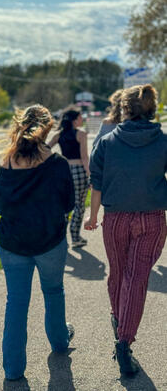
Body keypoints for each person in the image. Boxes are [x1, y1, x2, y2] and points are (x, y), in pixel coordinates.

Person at [0, 105, 75, 381]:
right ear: (47, 129)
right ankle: (59, 341)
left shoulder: (8, 163)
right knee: (54, 291)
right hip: (50, 241)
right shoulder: (58, 164)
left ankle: (13, 369)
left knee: (16, 301)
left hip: (13, 243)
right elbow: (69, 203)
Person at [85, 84, 167, 377]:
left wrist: (93, 216)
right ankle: (124, 341)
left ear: (125, 109)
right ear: (151, 109)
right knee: (137, 278)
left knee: (118, 274)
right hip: (152, 219)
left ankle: (119, 321)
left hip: (115, 218)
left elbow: (96, 182)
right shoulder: (163, 141)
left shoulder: (107, 143)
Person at [48, 109, 90, 248]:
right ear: (74, 120)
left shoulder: (58, 135)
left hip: (64, 171)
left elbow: (45, 149)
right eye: (80, 117)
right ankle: (75, 237)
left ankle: (60, 238)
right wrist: (90, 175)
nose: (82, 119)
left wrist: (54, 162)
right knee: (79, 205)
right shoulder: (81, 134)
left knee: (63, 205)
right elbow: (84, 157)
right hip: (78, 171)